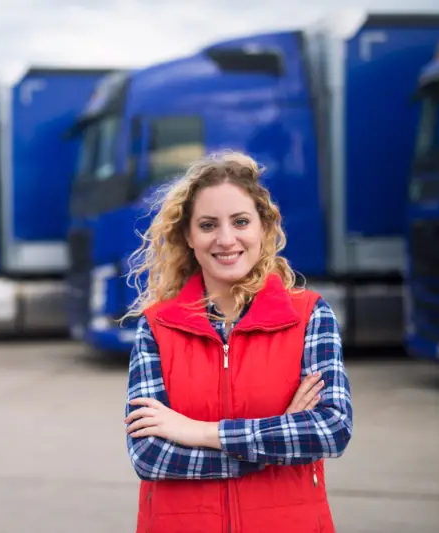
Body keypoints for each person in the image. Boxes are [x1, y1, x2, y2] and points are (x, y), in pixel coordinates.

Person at [121, 151, 352, 533]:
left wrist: (199, 432)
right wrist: (274, 446)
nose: (226, 239)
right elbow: (150, 456)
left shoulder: (309, 315)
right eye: (208, 225)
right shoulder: (156, 327)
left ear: (264, 227)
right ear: (188, 237)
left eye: (241, 221)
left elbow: (331, 429)